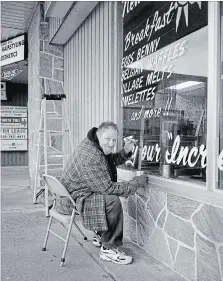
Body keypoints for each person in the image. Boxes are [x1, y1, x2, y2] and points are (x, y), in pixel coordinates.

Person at [55, 121, 148, 265]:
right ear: (99, 134)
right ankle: (108, 249)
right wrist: (136, 182)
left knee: (105, 197)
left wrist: (126, 150)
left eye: (114, 140)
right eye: (107, 139)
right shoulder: (91, 156)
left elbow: (109, 160)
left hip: (72, 193)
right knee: (111, 201)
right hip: (73, 199)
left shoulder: (94, 144)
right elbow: (108, 189)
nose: (111, 144)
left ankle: (101, 235)